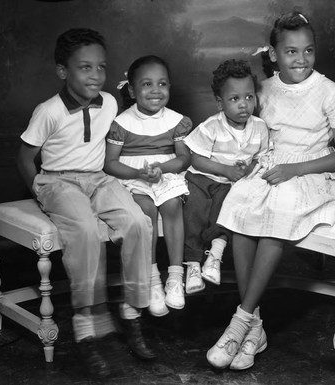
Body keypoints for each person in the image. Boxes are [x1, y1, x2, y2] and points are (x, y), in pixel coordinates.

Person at [207, 11, 335, 371]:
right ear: (274, 54)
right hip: (273, 165)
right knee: (242, 209)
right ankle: (256, 326)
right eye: (292, 52)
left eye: (308, 51)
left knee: (277, 213)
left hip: (315, 172)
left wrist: (295, 168)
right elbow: (251, 128)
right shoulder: (264, 88)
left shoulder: (329, 92)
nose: (301, 60)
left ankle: (240, 321)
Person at [16, 28, 156, 378]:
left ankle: (131, 313)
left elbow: (121, 142)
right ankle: (87, 328)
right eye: (85, 68)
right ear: (63, 71)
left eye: (101, 67)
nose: (95, 76)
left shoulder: (109, 102)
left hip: (100, 178)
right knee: (83, 229)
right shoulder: (48, 111)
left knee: (137, 222)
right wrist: (40, 194)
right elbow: (24, 157)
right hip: (58, 180)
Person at [104, 55, 192, 317]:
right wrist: (138, 173)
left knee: (172, 204)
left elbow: (184, 157)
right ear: (131, 90)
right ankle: (152, 279)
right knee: (146, 211)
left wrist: (161, 169)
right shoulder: (122, 123)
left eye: (162, 84)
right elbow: (109, 163)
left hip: (166, 172)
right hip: (132, 176)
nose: (156, 91)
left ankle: (175, 276)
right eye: (147, 84)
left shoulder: (177, 121)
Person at [182, 59, 269, 295]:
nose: (244, 105)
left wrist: (247, 169)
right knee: (194, 210)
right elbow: (196, 159)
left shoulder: (260, 127)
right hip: (202, 179)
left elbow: (261, 157)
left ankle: (215, 256)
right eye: (235, 99)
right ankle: (192, 264)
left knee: (227, 207)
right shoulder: (211, 126)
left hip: (231, 185)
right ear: (220, 103)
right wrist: (226, 170)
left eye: (249, 97)